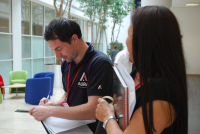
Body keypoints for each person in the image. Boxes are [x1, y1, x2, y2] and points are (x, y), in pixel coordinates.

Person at [95, 6, 188, 134]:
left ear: (145, 41)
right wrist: (119, 110)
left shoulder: (161, 95)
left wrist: (107, 117)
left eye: (129, 34)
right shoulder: (139, 71)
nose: (125, 41)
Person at [29, 18, 113, 133]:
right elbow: (68, 93)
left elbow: (94, 110)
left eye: (59, 49)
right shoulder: (66, 63)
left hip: (92, 130)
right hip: (71, 127)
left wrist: (49, 112)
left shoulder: (99, 63)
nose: (57, 55)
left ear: (74, 39)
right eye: (53, 50)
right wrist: (54, 104)